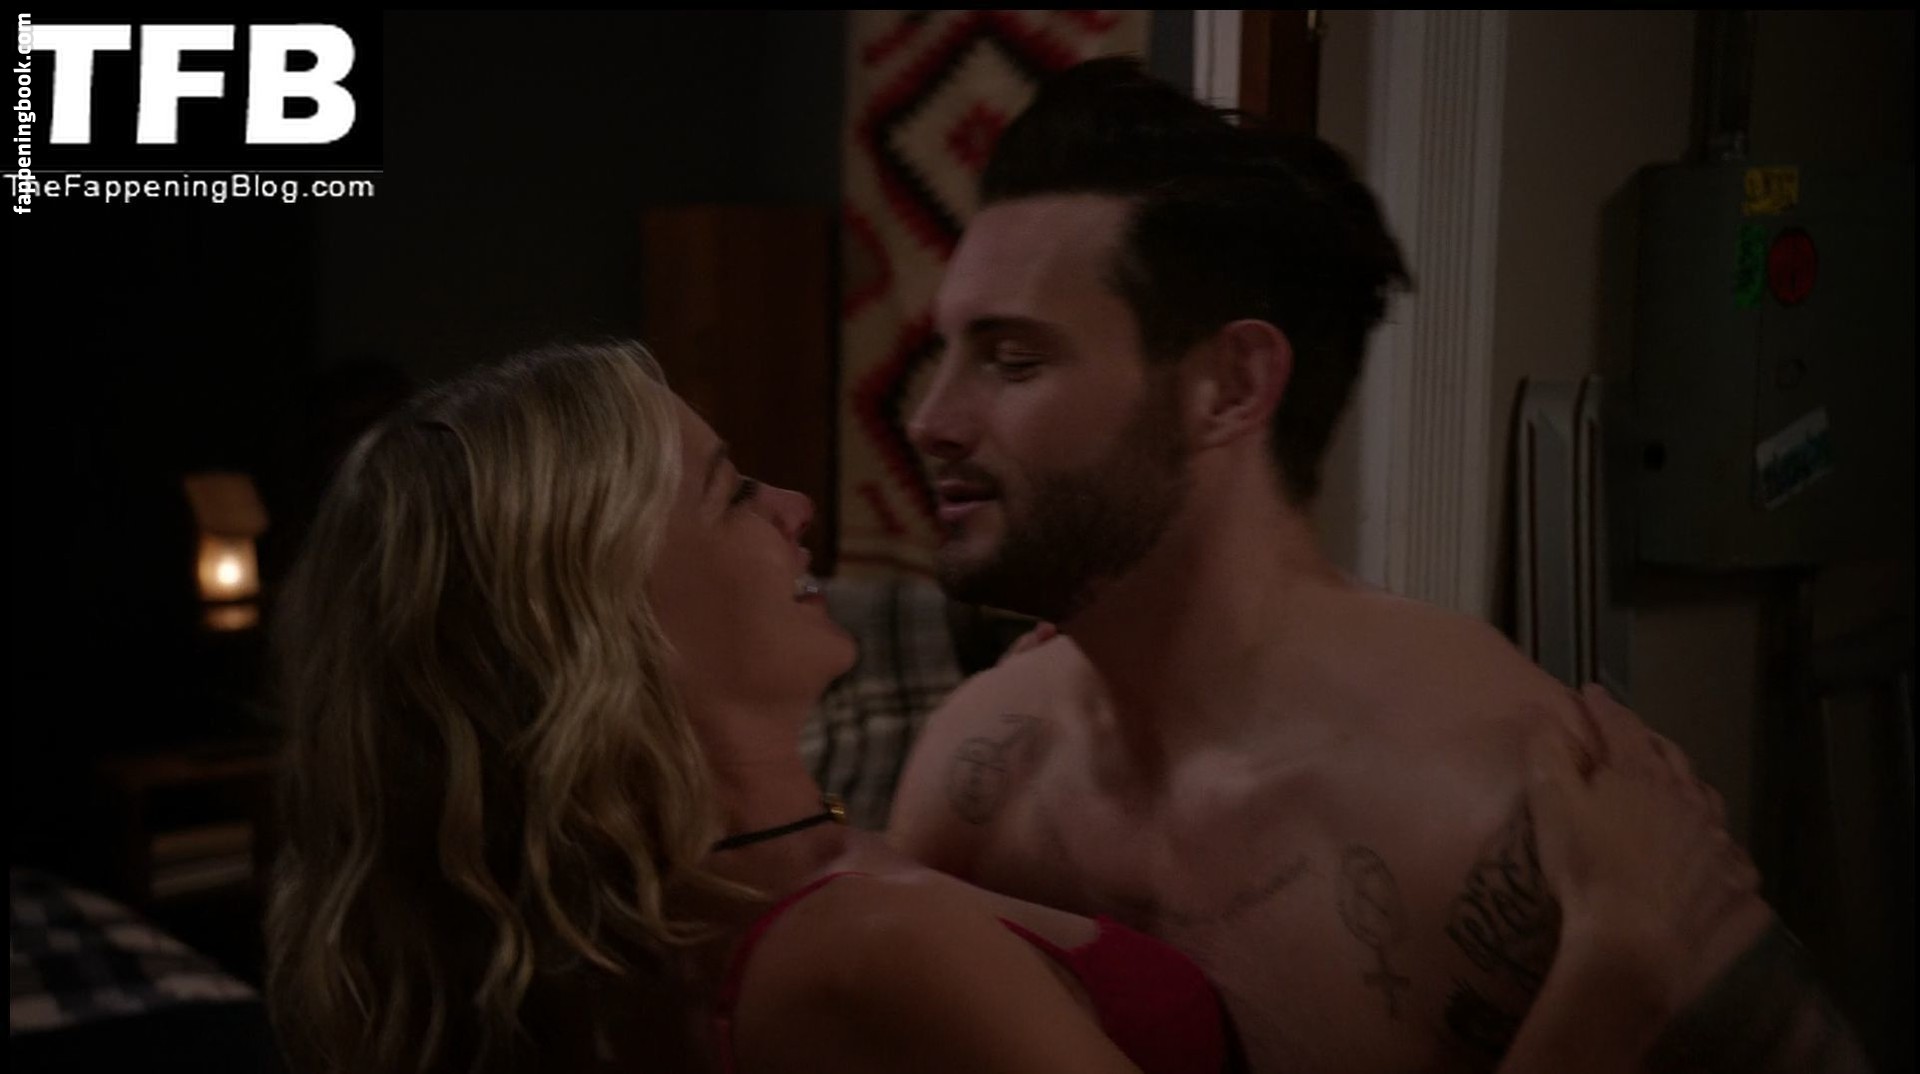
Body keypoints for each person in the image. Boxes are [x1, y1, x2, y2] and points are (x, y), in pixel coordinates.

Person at [266, 340, 1765, 1074]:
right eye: (731, 493)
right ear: (614, 623)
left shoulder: (688, 905)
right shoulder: (866, 949)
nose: (797, 507)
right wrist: (1616, 966)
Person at [888, 58, 1867, 1073]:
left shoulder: (1522, 807)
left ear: (1230, 386)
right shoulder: (979, 772)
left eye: (1013, 360)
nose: (930, 420)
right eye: (946, 353)